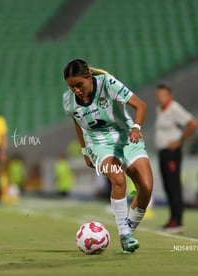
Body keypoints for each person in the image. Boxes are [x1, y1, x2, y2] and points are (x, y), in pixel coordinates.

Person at [63, 59, 153, 253]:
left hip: (128, 138)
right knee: (118, 179)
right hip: (100, 145)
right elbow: (77, 122)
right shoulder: (68, 100)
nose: (76, 90)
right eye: (71, 86)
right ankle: (124, 235)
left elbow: (141, 105)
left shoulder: (107, 83)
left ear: (89, 77)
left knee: (145, 187)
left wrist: (137, 128)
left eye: (79, 85)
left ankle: (128, 230)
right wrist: (85, 150)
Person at [155, 84, 198, 232]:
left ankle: (178, 221)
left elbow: (192, 123)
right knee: (168, 186)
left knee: (174, 186)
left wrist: (180, 141)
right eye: (158, 95)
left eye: (163, 95)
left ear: (169, 96)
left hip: (172, 153)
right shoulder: (159, 109)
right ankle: (173, 219)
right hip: (163, 152)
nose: (160, 97)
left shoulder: (174, 108)